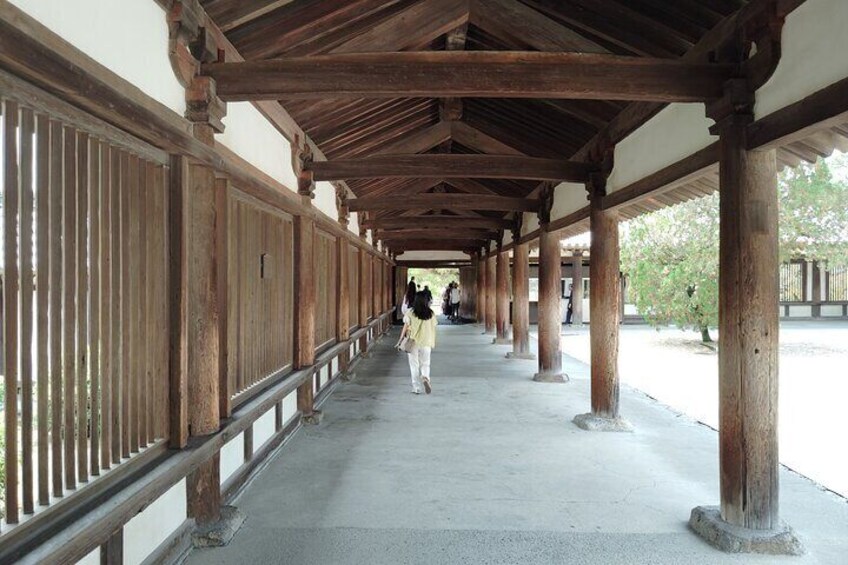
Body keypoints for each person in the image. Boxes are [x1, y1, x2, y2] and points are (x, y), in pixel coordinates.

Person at [398, 292, 437, 394]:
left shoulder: (410, 312)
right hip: (426, 341)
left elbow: (405, 326)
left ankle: (416, 388)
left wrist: (401, 339)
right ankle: (425, 377)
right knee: (425, 363)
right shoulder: (431, 313)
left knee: (414, 364)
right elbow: (434, 326)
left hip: (413, 342)